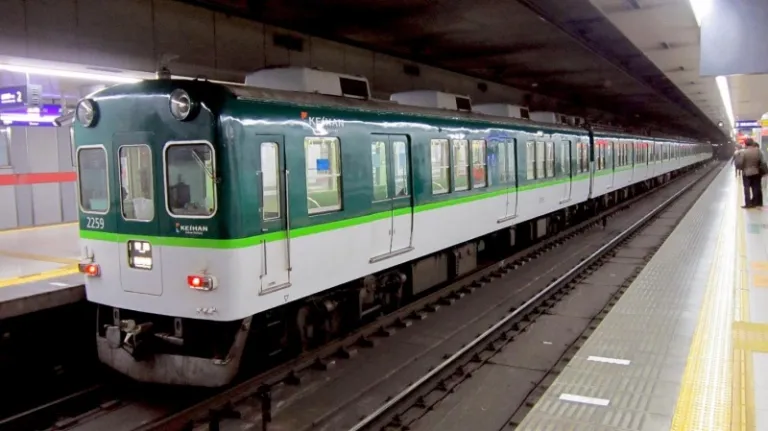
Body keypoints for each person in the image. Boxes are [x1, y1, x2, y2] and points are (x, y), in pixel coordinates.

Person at [740, 139, 764, 208]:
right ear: (752, 143)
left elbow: (741, 163)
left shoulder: (743, 152)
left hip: (746, 173)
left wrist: (743, 168)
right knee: (755, 187)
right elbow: (762, 161)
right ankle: (755, 203)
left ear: (745, 144)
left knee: (746, 188)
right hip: (756, 171)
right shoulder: (758, 151)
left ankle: (748, 204)